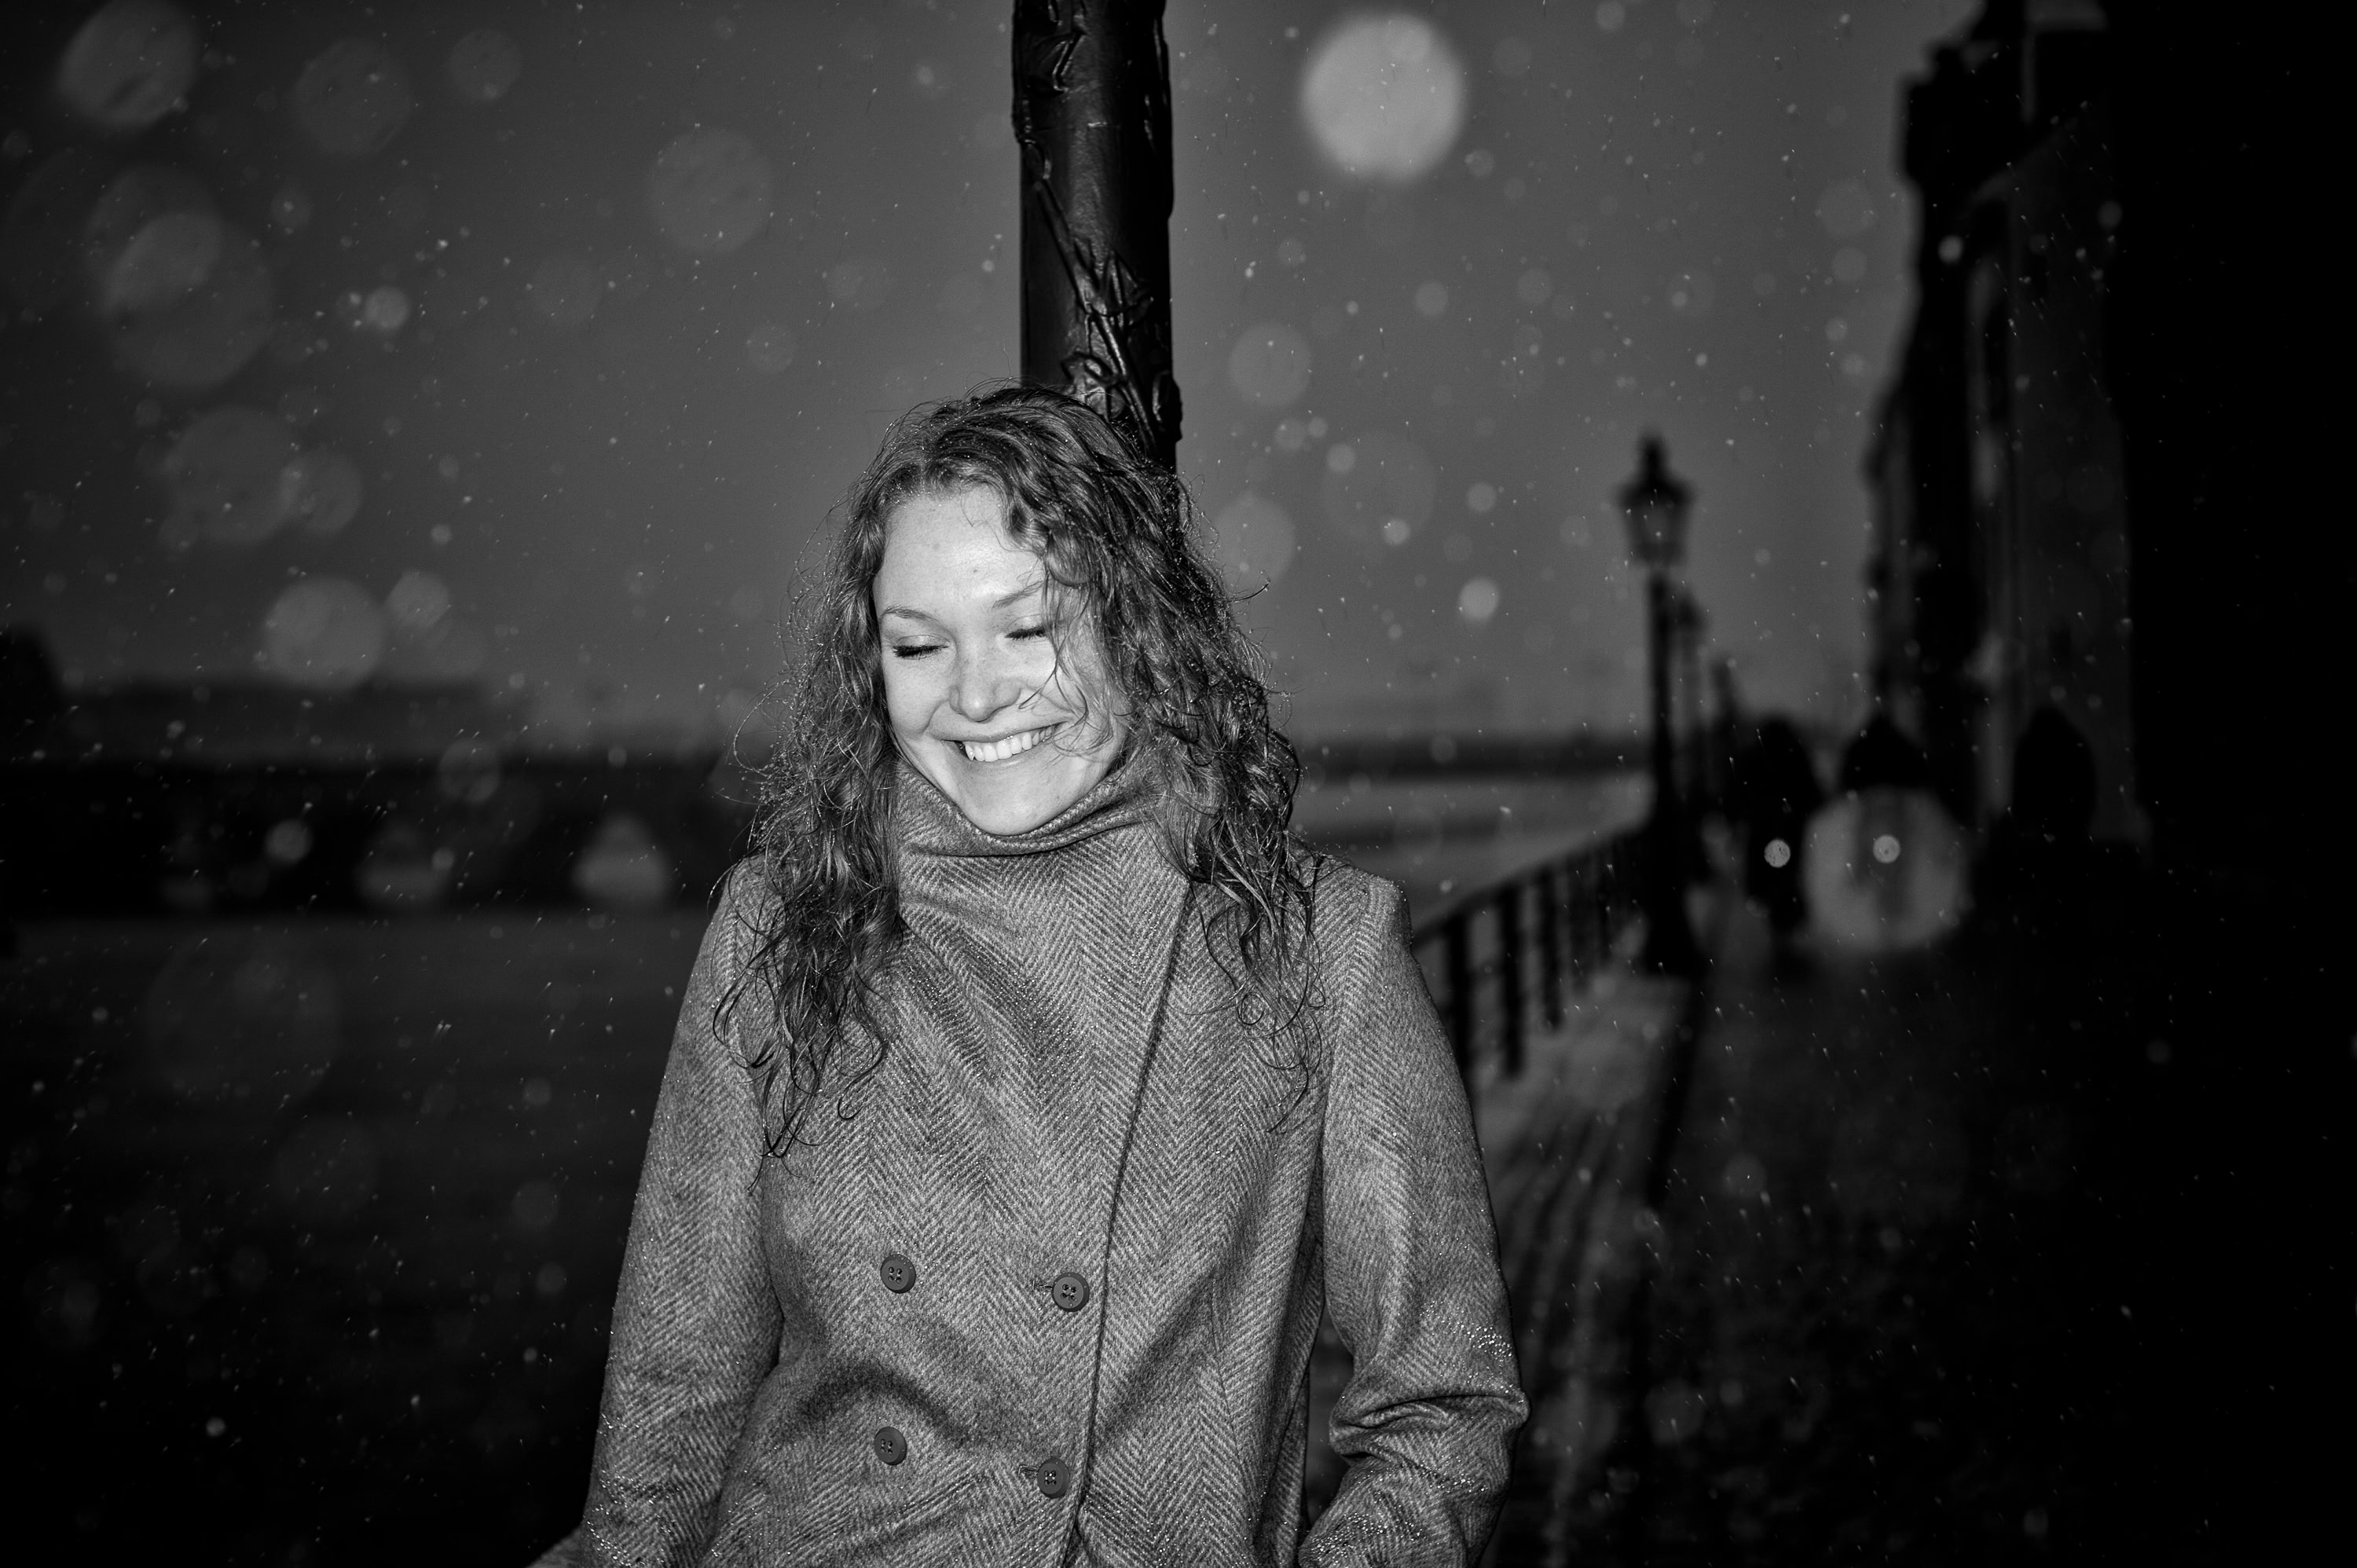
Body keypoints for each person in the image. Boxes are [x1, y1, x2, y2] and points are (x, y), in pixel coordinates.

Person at [534, 387, 1525, 1566]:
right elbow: (674, 1405)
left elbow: (1441, 1410)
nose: (975, 693)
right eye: (918, 645)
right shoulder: (783, 927)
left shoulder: (1313, 950)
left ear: (1138, 625)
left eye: (1028, 628)